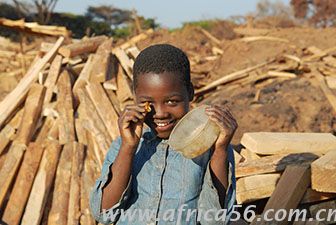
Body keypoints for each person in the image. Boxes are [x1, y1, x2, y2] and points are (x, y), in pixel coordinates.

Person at [90, 44, 237, 225]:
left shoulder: (210, 147)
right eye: (147, 103)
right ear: (135, 97)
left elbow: (214, 220)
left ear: (190, 92)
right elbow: (103, 213)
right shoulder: (126, 146)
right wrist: (128, 148)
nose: (159, 113)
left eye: (171, 101)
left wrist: (220, 150)